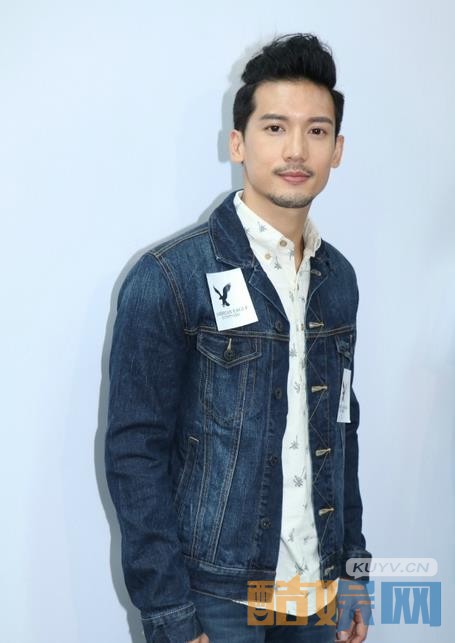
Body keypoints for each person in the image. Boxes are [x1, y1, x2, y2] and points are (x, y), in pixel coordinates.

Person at [105, 33, 372, 643]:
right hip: (215, 599)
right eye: (275, 128)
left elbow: (342, 434)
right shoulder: (170, 277)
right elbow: (134, 452)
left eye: (316, 130)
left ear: (337, 149)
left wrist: (354, 572)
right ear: (238, 142)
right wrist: (169, 614)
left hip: (318, 592)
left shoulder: (339, 280)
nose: (296, 149)